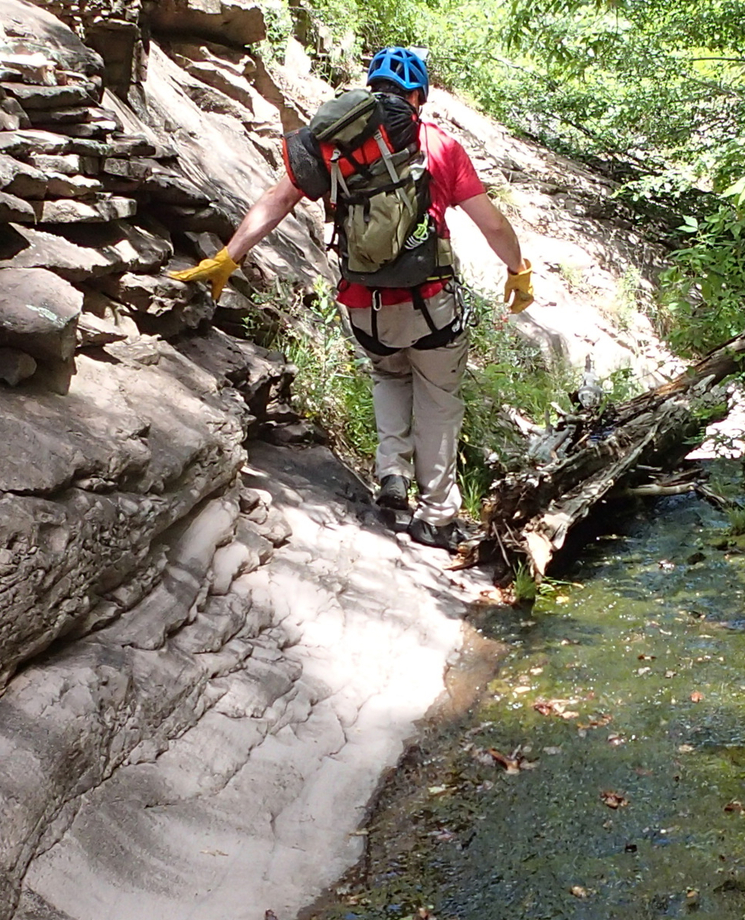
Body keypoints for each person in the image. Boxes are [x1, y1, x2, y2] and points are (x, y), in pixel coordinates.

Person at [169, 45, 533, 552]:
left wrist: (229, 257)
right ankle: (438, 517)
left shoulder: (335, 145)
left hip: (364, 305)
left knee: (389, 374)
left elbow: (277, 200)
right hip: (431, 305)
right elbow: (491, 223)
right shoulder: (439, 146)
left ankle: (392, 477)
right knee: (438, 400)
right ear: (417, 96)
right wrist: (518, 271)